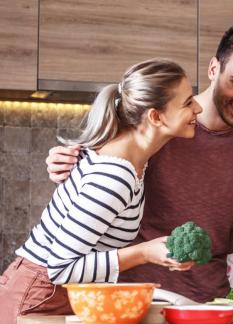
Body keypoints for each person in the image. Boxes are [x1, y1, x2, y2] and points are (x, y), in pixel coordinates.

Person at [44, 22, 233, 302]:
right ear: (214, 69)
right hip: (136, 295)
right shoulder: (166, 123)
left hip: (207, 296)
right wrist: (66, 160)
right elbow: (103, 163)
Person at [0, 58, 201, 322]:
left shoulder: (133, 159)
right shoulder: (115, 175)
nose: (198, 108)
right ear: (155, 116)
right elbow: (60, 269)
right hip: (38, 296)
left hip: (52, 294)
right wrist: (145, 253)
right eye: (187, 103)